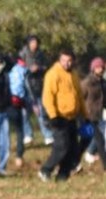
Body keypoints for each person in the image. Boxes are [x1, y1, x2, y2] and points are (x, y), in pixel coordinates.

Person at [39, 48, 86, 182]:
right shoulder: (53, 74)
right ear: (59, 60)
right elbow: (48, 96)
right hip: (58, 116)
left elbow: (79, 97)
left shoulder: (74, 75)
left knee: (72, 147)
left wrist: (85, 114)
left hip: (71, 117)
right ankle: (46, 169)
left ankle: (63, 175)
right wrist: (53, 116)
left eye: (69, 61)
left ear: (73, 61)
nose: (67, 63)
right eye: (64, 60)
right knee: (62, 146)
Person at [20, 35, 54, 145]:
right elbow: (18, 67)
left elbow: (47, 67)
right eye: (32, 42)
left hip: (39, 86)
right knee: (24, 113)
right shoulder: (22, 54)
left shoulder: (41, 54)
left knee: (41, 112)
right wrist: (28, 69)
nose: (34, 45)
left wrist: (39, 68)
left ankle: (47, 135)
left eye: (36, 42)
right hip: (25, 86)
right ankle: (28, 134)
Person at [79, 57, 106, 170]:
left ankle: (73, 161)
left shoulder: (103, 82)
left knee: (85, 142)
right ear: (93, 69)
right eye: (98, 67)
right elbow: (79, 97)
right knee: (99, 141)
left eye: (102, 67)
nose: (100, 69)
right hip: (88, 116)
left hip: (99, 116)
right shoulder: (87, 82)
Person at [8, 57, 30, 167]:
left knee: (4, 130)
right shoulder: (25, 71)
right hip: (19, 102)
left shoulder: (9, 71)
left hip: (8, 101)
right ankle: (19, 157)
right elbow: (27, 88)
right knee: (19, 130)